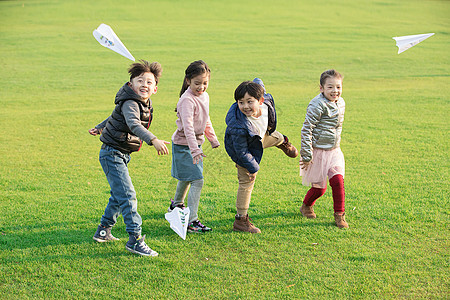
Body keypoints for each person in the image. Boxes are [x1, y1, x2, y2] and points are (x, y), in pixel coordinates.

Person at [89, 60, 170, 256]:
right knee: (128, 195)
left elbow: (114, 116)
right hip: (112, 154)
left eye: (149, 82)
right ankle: (135, 239)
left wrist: (100, 126)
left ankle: (103, 230)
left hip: (121, 153)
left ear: (155, 89)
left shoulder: (143, 102)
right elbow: (133, 124)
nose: (144, 85)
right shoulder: (131, 102)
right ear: (130, 84)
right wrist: (153, 140)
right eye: (140, 80)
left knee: (119, 194)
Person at [224, 79, 299, 233]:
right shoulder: (238, 125)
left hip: (259, 136)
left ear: (261, 100)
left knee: (276, 137)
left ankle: (283, 142)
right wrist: (253, 168)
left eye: (249, 102)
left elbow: (259, 84)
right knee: (247, 181)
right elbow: (242, 151)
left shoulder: (267, 102)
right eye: (241, 102)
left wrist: (258, 83)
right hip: (243, 149)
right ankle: (241, 220)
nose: (245, 106)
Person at [169, 60, 220, 233]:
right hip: (185, 146)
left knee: (187, 177)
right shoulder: (186, 101)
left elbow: (206, 119)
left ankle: (175, 206)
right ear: (188, 81)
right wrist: (195, 150)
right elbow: (189, 128)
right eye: (197, 83)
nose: (201, 87)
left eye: (205, 83)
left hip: (194, 145)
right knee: (197, 180)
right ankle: (192, 221)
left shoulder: (204, 96)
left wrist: (212, 139)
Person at [299, 69, 348, 228]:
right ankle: (306, 205)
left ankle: (339, 214)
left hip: (334, 151)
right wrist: (307, 155)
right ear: (321, 88)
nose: (335, 91)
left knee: (337, 181)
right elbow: (307, 129)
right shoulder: (317, 104)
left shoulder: (341, 102)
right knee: (320, 189)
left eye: (338, 87)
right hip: (317, 152)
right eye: (330, 87)